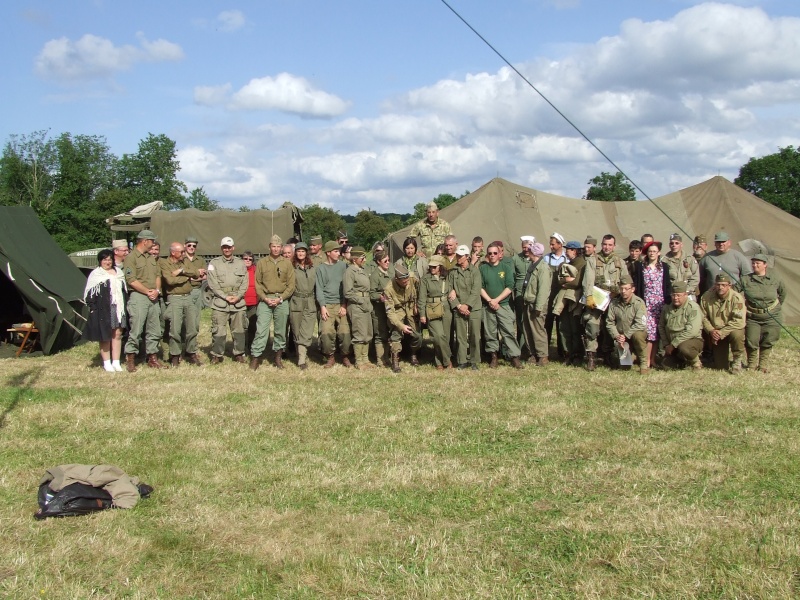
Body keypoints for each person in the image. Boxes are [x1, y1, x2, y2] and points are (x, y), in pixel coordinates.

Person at [122, 230, 167, 372]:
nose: (153, 244)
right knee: (136, 329)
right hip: (139, 296)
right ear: (145, 241)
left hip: (153, 297)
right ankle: (131, 358)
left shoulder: (151, 258)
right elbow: (131, 280)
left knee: (154, 329)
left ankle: (152, 358)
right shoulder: (131, 257)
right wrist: (147, 291)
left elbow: (158, 276)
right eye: (152, 241)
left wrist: (157, 291)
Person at [250, 235, 296, 370]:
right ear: (269, 247)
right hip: (266, 300)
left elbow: (291, 285)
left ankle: (278, 357)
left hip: (281, 300)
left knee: (281, 331)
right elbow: (257, 283)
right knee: (261, 330)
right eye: (273, 246)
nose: (276, 249)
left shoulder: (287, 263)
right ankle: (256, 357)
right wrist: (264, 298)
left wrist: (281, 298)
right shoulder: (262, 262)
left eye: (278, 247)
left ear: (281, 248)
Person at [582, 235, 624, 370]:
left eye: (610, 245)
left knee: (609, 329)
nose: (607, 247)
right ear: (601, 244)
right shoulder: (593, 260)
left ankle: (607, 356)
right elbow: (588, 279)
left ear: (614, 246)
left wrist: (619, 293)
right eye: (605, 244)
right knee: (592, 327)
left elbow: (625, 280)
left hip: (613, 300)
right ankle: (591, 357)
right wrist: (588, 296)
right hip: (596, 300)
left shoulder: (619, 262)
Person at [739, 254, 785, 373]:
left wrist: (775, 307)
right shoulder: (745, 279)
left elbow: (783, 293)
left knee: (768, 340)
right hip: (753, 316)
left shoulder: (775, 278)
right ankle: (751, 364)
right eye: (753, 263)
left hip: (772, 316)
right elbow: (734, 292)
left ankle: (763, 365)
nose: (754, 265)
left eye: (758, 263)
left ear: (765, 265)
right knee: (751, 340)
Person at [480, 242, 523, 369]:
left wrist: (497, 300)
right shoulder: (483, 268)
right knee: (490, 332)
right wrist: (490, 301)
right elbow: (480, 287)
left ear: (500, 254)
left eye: (495, 253)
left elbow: (510, 286)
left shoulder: (506, 268)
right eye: (490, 253)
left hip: (503, 305)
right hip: (488, 306)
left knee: (508, 331)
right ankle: (494, 356)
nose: (492, 255)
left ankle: (514, 357)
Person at [206, 236, 248, 364]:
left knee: (239, 330)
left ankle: (239, 353)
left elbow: (245, 283)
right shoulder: (214, 263)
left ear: (233, 248)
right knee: (219, 330)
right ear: (221, 248)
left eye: (229, 247)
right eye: (225, 247)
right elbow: (212, 283)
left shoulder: (240, 263)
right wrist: (225, 297)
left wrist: (238, 296)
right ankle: (217, 355)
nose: (227, 249)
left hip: (238, 302)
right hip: (220, 302)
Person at [83, 249, 127, 372]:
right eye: (104, 259)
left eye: (109, 259)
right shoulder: (96, 274)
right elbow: (90, 294)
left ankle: (116, 362)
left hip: (118, 307)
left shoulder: (118, 272)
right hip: (103, 308)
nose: (107, 262)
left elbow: (124, 291)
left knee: (117, 334)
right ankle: (107, 363)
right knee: (105, 336)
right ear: (100, 261)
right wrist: (93, 308)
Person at [159, 242, 202, 366]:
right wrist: (187, 277)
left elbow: (196, 273)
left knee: (192, 327)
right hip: (174, 298)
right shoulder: (165, 263)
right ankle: (175, 355)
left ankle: (191, 352)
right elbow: (170, 280)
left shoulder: (185, 262)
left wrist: (181, 271)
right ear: (173, 252)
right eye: (182, 252)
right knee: (175, 329)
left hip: (188, 297)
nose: (184, 253)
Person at [634, 241, 672, 372]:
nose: (652, 253)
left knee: (656, 333)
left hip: (660, 303)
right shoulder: (641, 267)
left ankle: (653, 359)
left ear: (659, 253)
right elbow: (638, 285)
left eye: (654, 251)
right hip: (647, 302)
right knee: (649, 333)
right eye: (650, 251)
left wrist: (668, 300)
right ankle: (646, 360)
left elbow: (667, 285)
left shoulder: (664, 267)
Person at [699, 273, 746, 372]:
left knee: (737, 334)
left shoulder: (737, 298)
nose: (720, 287)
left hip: (731, 329)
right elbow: (702, 317)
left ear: (729, 286)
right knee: (720, 367)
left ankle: (737, 360)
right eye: (718, 284)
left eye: (724, 285)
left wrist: (722, 332)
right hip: (716, 331)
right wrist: (711, 331)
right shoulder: (706, 297)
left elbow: (739, 321)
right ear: (714, 285)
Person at [316, 241, 352, 368]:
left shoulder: (343, 266)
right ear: (328, 253)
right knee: (326, 332)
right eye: (336, 251)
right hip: (327, 305)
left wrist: (344, 305)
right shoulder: (321, 268)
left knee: (345, 333)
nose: (338, 253)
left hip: (341, 304)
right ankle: (330, 356)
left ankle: (345, 356)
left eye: (338, 251)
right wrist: (322, 306)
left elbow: (348, 286)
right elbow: (319, 289)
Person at [449, 244, 482, 370]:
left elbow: (476, 290)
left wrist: (467, 305)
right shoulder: (453, 272)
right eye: (457, 255)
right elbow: (449, 290)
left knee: (474, 335)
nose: (458, 257)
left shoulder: (475, 271)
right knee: (461, 336)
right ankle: (462, 360)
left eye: (460, 256)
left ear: (467, 257)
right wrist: (459, 306)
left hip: (473, 307)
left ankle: (474, 360)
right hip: (459, 308)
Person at [605, 274, 648, 373]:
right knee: (625, 367)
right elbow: (609, 322)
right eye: (621, 288)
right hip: (622, 338)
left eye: (626, 288)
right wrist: (617, 336)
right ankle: (631, 356)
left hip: (634, 334)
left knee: (638, 336)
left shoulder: (639, 303)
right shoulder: (614, 303)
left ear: (632, 289)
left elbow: (640, 323)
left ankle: (644, 363)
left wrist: (626, 335)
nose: (623, 291)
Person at [658, 281, 703, 370]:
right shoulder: (667, 308)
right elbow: (661, 326)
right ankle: (684, 362)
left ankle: (696, 362)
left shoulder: (693, 308)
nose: (675, 298)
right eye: (673, 295)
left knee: (685, 348)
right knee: (666, 366)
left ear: (685, 295)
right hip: (672, 344)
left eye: (678, 295)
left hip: (690, 341)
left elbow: (692, 331)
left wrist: (673, 344)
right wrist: (666, 344)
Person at [384, 264, 421, 372]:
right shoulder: (388, 289)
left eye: (407, 279)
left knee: (417, 336)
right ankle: (395, 361)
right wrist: (401, 326)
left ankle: (413, 354)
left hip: (410, 308)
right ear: (397, 279)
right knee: (396, 334)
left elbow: (421, 291)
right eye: (403, 281)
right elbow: (390, 312)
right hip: (397, 310)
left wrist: (416, 305)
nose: (406, 282)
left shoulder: (413, 278)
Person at [419, 255, 453, 369]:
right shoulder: (425, 279)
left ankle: (439, 361)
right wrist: (422, 314)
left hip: (446, 308)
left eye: (435, 266)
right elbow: (422, 298)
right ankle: (446, 361)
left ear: (441, 267)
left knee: (446, 337)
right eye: (431, 266)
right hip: (432, 309)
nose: (432, 268)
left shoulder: (447, 277)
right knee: (438, 336)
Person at [344, 246, 375, 369]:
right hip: (357, 306)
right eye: (362, 258)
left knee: (367, 333)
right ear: (354, 259)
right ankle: (359, 361)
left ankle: (365, 359)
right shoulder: (350, 272)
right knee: (359, 334)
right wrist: (360, 301)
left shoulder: (362, 270)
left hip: (366, 304)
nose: (364, 260)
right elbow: (348, 292)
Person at [521, 242, 552, 365]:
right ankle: (533, 354)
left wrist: (539, 306)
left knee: (538, 330)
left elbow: (543, 289)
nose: (528, 251)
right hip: (528, 302)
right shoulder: (533, 265)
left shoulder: (543, 268)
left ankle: (542, 355)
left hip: (536, 304)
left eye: (530, 250)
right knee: (528, 329)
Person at [556, 241, 585, 365]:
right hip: (565, 301)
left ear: (574, 250)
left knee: (575, 329)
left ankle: (577, 355)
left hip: (575, 301)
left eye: (568, 249)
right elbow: (559, 281)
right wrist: (566, 280)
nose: (566, 251)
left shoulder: (582, 264)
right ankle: (567, 354)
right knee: (564, 328)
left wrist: (565, 282)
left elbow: (577, 283)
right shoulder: (568, 264)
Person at [288, 243, 316, 370]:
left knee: (307, 330)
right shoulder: (291, 267)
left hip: (310, 300)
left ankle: (301, 359)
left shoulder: (312, 267)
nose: (300, 253)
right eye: (298, 251)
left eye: (303, 251)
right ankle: (301, 356)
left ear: (306, 253)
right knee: (297, 330)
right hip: (296, 300)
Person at [543, 232, 567, 358]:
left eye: (553, 244)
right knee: (547, 323)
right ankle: (544, 351)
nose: (550, 246)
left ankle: (562, 352)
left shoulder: (566, 259)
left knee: (561, 324)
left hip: (561, 294)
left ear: (560, 244)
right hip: (549, 294)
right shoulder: (546, 259)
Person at [369, 250, 393, 367]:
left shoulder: (390, 272)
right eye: (385, 261)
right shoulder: (374, 276)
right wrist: (380, 297)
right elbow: (371, 293)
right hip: (379, 309)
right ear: (378, 262)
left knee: (388, 333)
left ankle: (387, 357)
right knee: (380, 333)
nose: (388, 263)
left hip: (389, 308)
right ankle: (380, 359)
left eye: (388, 260)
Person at [183, 236, 207, 345]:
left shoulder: (200, 260)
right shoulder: (181, 259)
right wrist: (196, 273)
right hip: (185, 292)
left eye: (194, 246)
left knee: (196, 320)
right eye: (189, 245)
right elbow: (181, 276)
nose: (192, 247)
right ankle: (184, 344)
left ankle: (193, 344)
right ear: (185, 246)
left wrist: (190, 275)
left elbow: (205, 276)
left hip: (197, 291)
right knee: (185, 320)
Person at [662, 233, 699, 299]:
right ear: (669, 245)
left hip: (688, 294)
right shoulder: (664, 261)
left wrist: (686, 291)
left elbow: (695, 278)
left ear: (681, 245)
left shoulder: (690, 259)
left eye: (677, 243)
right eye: (671, 243)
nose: (674, 245)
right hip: (672, 294)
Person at [241, 251, 258, 355]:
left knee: (253, 326)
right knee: (241, 327)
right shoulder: (238, 270)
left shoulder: (256, 271)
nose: (247, 261)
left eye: (250, 259)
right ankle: (241, 348)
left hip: (254, 303)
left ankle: (251, 346)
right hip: (241, 302)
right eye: (245, 259)